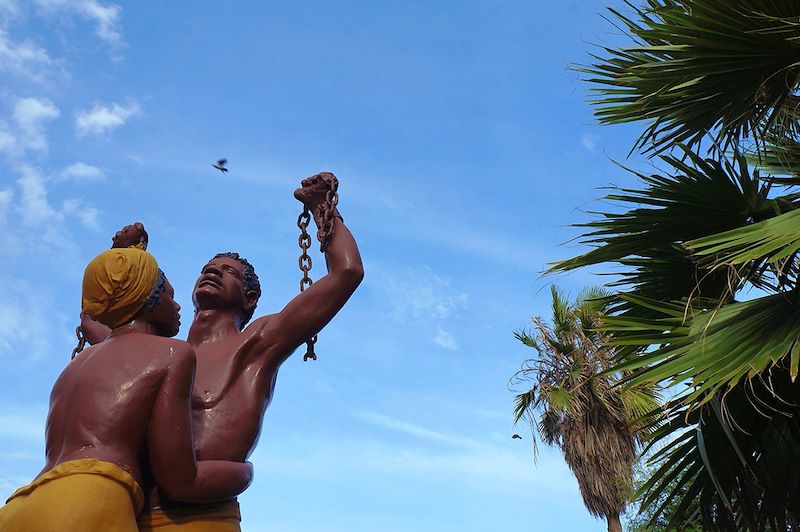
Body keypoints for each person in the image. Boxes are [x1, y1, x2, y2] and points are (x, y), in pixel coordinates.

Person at [82, 173, 364, 531]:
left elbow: (347, 272)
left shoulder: (257, 343)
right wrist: (121, 258)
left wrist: (323, 208)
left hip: (201, 518)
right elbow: (97, 317)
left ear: (249, 298)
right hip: (128, 517)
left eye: (227, 271)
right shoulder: (157, 353)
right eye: (206, 269)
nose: (212, 271)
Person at [0, 246, 253, 531]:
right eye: (170, 295)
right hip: (86, 499)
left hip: (21, 504)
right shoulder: (172, 353)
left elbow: (99, 304)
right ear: (148, 299)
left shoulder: (78, 364)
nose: (179, 305)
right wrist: (242, 473)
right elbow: (179, 480)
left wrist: (125, 255)